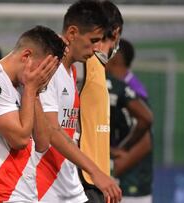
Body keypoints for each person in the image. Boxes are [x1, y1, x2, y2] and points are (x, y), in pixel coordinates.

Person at [36, 1, 121, 203]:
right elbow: (51, 131)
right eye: (92, 41)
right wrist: (96, 172)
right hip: (45, 188)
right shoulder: (49, 66)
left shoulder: (72, 71)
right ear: (72, 33)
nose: (95, 49)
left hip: (67, 184)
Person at [0, 25, 65, 203]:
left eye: (50, 73)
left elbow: (43, 142)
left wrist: (34, 91)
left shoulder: (26, 84)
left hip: (25, 195)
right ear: (26, 56)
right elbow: (19, 140)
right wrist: (30, 89)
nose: (45, 78)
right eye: (44, 69)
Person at [79, 1, 123, 202]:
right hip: (84, 180)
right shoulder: (83, 65)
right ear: (116, 32)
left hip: (97, 180)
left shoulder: (97, 67)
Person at [107, 38, 154, 203]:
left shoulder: (131, 91)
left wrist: (111, 171)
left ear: (115, 58)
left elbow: (145, 142)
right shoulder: (122, 86)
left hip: (131, 185)